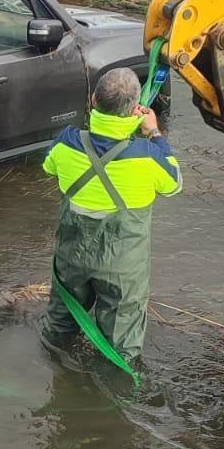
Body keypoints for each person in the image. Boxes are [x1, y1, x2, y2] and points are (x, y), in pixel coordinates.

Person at [41, 67, 181, 360]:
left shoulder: (66, 142)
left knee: (60, 326)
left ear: (93, 100)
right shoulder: (148, 155)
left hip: (72, 257)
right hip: (122, 267)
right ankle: (110, 397)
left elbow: (48, 166)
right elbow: (174, 185)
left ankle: (55, 377)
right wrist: (153, 132)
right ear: (134, 111)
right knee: (120, 348)